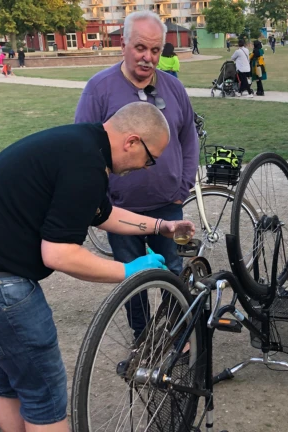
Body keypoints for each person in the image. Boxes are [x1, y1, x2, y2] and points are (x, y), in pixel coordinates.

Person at [0, 102, 194, 432]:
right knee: (45, 397)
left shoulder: (82, 145)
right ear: (132, 141)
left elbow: (104, 214)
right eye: (149, 159)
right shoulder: (86, 164)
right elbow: (58, 255)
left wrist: (160, 226)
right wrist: (129, 272)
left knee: (8, 380)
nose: (146, 168)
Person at [75, 11, 199, 339]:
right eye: (141, 48)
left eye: (155, 50)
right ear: (124, 44)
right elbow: (83, 146)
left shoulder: (173, 89)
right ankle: (143, 339)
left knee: (173, 272)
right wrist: (101, 197)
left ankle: (175, 336)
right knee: (132, 280)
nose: (148, 57)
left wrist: (182, 185)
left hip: (167, 203)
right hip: (121, 209)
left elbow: (189, 138)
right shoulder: (99, 89)